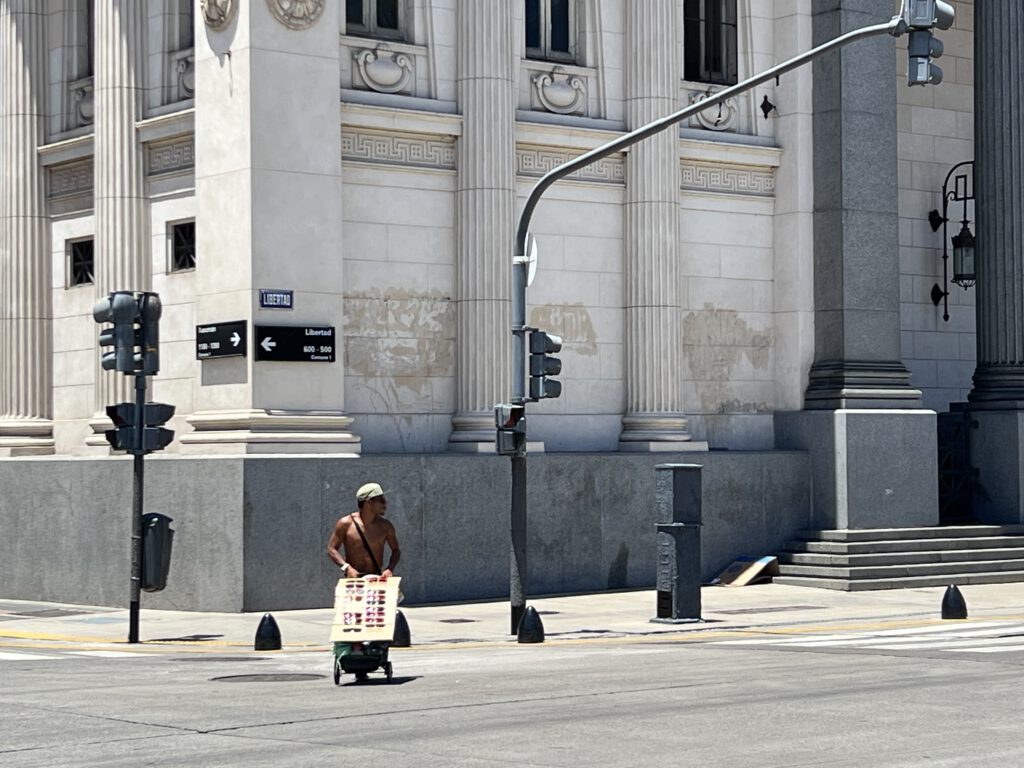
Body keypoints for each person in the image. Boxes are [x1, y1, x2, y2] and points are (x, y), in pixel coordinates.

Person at [327, 482, 401, 579]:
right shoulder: (346, 524)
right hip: (353, 579)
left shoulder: (386, 526)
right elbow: (331, 549)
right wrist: (347, 568)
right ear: (369, 503)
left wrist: (390, 569)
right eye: (381, 500)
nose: (385, 503)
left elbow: (396, 550)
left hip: (376, 578)